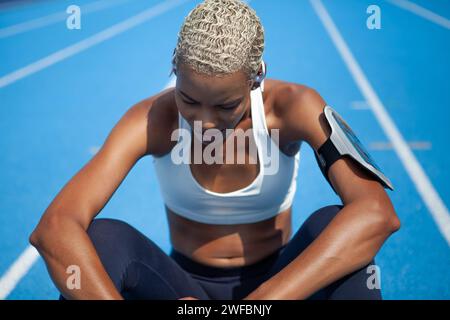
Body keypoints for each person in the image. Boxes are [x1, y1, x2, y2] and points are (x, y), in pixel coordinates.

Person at [29, 0, 400, 300]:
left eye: (225, 107)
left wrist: (262, 302)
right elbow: (56, 226)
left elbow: (376, 214)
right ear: (174, 67)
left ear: (257, 76)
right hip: (182, 291)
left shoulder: (293, 107)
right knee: (102, 239)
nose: (204, 123)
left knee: (337, 229)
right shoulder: (152, 120)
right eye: (188, 100)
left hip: (281, 281)